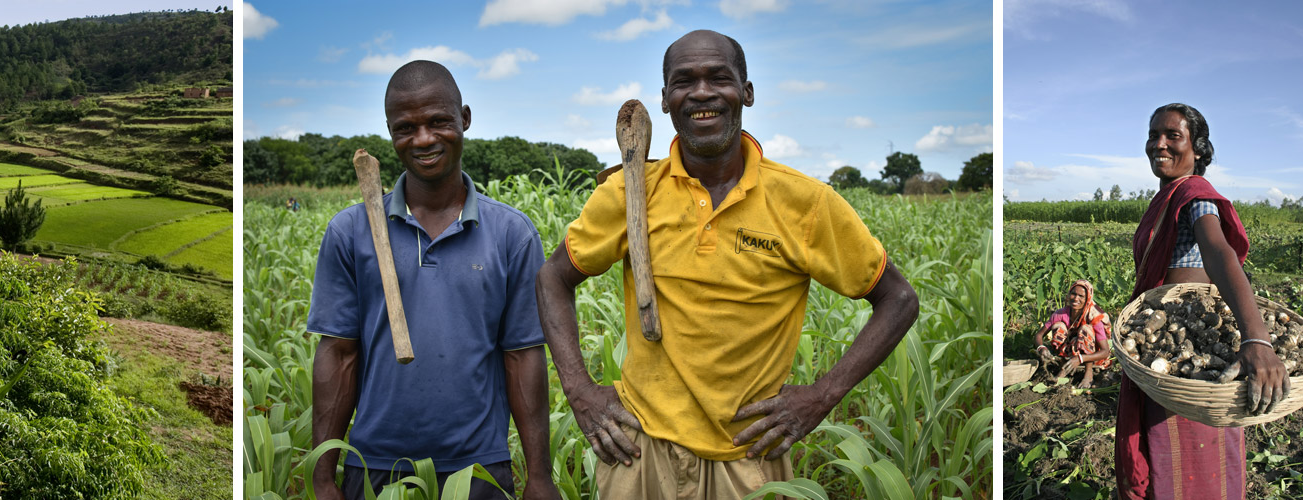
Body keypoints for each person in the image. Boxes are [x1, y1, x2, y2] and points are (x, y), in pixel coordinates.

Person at [533, 30, 920, 499]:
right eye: (684, 81)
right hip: (638, 454)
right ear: (665, 100)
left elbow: (898, 299)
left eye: (719, 78)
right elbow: (553, 278)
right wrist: (579, 391)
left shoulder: (805, 202)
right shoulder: (630, 189)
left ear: (747, 92)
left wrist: (822, 395)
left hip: (748, 458)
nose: (702, 93)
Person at [306, 60, 558, 500]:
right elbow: (339, 354)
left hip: (478, 470)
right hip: (374, 467)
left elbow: (522, 356)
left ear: (465, 119)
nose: (423, 139)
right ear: (390, 132)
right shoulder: (350, 231)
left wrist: (539, 476)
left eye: (438, 121)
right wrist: (322, 475)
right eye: (406, 127)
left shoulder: (511, 234)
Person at [1114, 102, 1282, 500]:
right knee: (1160, 443)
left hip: (1192, 342)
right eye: (1154, 135)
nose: (1159, 144)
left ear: (1198, 148)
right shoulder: (1166, 198)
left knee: (1193, 449)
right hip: (1161, 341)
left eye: (1173, 136)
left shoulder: (1194, 195)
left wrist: (1256, 338)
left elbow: (1219, 252)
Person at [1038, 279, 1112, 387]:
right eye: (1073, 294)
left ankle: (1088, 373)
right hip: (1070, 351)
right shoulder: (1061, 314)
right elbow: (1039, 335)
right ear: (1069, 295)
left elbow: (1105, 351)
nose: (1076, 298)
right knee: (1059, 326)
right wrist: (1041, 348)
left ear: (1087, 298)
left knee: (1085, 329)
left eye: (1081, 296)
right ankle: (1063, 368)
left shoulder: (1093, 316)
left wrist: (1080, 358)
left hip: (1093, 356)